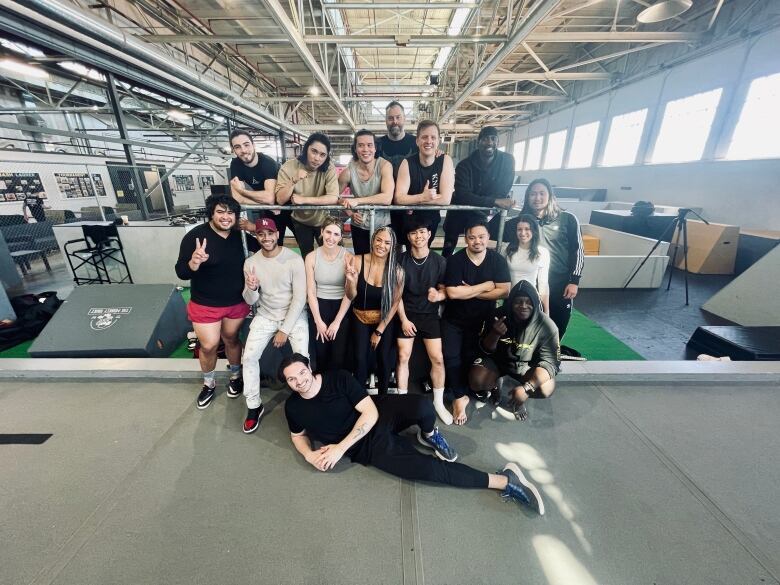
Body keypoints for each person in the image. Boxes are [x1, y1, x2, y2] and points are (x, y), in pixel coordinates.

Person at [280, 353, 544, 515]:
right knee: (430, 470)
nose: (299, 380)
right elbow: (297, 435)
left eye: (302, 372)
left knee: (422, 405)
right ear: (288, 384)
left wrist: (338, 448)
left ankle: (428, 434)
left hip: (376, 414)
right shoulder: (293, 406)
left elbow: (369, 413)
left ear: (310, 368)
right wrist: (308, 454)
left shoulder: (337, 379)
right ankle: (505, 481)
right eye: (292, 379)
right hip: (368, 448)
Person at [175, 194, 255, 410]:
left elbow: (265, 244)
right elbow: (181, 272)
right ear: (211, 213)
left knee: (231, 339)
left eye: (230, 212)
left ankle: (235, 376)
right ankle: (209, 383)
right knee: (209, 345)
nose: (226, 217)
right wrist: (194, 261)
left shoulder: (240, 236)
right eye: (220, 212)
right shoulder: (196, 237)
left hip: (236, 302)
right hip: (205, 304)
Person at [241, 217, 309, 434]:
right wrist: (251, 288)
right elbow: (249, 300)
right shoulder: (251, 263)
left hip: (294, 315)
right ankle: (254, 406)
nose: (266, 238)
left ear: (277, 234)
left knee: (302, 356)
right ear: (257, 236)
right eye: (261, 234)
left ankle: (307, 401)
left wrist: (284, 330)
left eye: (270, 233)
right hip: (266, 315)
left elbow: (299, 299)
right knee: (249, 357)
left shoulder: (294, 259)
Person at [442, 220, 511, 425]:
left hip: (483, 321)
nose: (477, 241)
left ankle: (475, 389)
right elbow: (453, 293)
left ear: (488, 237)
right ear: (466, 239)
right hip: (453, 319)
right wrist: (486, 286)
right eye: (472, 237)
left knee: (471, 356)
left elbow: (505, 291)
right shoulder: (455, 261)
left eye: (481, 237)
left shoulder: (497, 260)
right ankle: (458, 397)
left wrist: (470, 291)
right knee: (451, 356)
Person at [470, 280, 560, 422]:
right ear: (510, 303)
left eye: (528, 302)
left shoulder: (547, 326)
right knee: (476, 380)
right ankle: (495, 385)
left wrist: (527, 388)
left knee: (547, 387)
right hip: (498, 362)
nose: (523, 306)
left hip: (526, 367)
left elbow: (551, 363)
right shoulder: (497, 316)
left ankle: (519, 399)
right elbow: (483, 351)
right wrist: (494, 334)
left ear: (535, 304)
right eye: (518, 302)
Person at [395, 216, 451, 425]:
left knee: (437, 358)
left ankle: (438, 402)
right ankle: (400, 403)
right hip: (407, 315)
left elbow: (446, 290)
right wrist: (403, 320)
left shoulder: (440, 262)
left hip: (429, 316)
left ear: (429, 234)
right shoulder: (400, 260)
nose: (418, 236)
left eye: (421, 232)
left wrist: (439, 296)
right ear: (408, 237)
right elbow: (396, 295)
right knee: (403, 356)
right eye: (413, 233)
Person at [511, 179, 583, 340]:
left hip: (560, 283)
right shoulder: (521, 222)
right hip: (532, 283)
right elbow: (491, 230)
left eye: (542, 193)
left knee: (557, 325)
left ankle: (551, 355)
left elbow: (578, 251)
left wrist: (574, 281)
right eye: (533, 194)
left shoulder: (568, 219)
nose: (537, 198)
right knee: (526, 326)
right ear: (528, 197)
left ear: (550, 196)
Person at [345, 226, 403, 395]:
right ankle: (359, 398)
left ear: (392, 246)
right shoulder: (356, 261)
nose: (382, 245)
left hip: (383, 319)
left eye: (387, 242)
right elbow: (350, 296)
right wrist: (351, 281)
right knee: (360, 359)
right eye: (378, 240)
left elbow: (395, 303)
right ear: (372, 241)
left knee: (384, 359)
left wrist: (379, 331)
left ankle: (383, 399)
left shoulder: (397, 271)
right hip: (359, 316)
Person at [443, 126, 515, 257]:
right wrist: (494, 201)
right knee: (449, 239)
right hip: (462, 209)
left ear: (497, 142)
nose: (489, 142)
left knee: (489, 239)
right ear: (478, 142)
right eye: (485, 139)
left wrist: (486, 200)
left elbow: (502, 190)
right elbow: (462, 195)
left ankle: (491, 264)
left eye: (493, 139)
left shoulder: (507, 161)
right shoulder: (464, 165)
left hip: (488, 211)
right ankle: (445, 264)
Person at [275, 132, 339, 257]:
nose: (317, 158)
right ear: (306, 149)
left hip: (323, 220)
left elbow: (333, 197)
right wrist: (293, 180)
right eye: (314, 151)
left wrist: (304, 200)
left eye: (322, 155)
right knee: (307, 255)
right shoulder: (289, 167)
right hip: (300, 221)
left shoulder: (329, 168)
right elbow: (280, 200)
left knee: (331, 255)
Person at [394, 120, 455, 248]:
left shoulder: (445, 160)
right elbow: (399, 198)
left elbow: (445, 199)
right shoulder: (407, 163)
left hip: (431, 220)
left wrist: (412, 200)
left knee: (424, 254)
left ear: (438, 141)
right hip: (409, 221)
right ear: (417, 141)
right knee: (408, 255)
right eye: (424, 137)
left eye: (433, 137)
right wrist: (423, 197)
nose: (429, 141)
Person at [304, 216, 353, 373]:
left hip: (341, 308)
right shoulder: (311, 257)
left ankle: (338, 390)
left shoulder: (348, 258)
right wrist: (318, 320)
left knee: (339, 356)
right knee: (321, 353)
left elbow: (349, 293)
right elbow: (310, 291)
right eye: (328, 232)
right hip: (319, 306)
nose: (331, 238)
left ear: (340, 238)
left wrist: (337, 322)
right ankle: (322, 390)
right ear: (321, 232)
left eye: (336, 234)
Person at [228, 128, 290, 243]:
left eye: (246, 145)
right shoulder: (236, 164)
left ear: (253, 145)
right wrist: (267, 204)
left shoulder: (267, 162)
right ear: (233, 150)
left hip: (290, 206)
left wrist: (243, 192)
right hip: (270, 209)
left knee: (304, 245)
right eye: (237, 147)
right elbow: (237, 199)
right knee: (273, 244)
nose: (243, 150)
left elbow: (269, 197)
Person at [338, 129, 394, 255]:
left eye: (369, 145)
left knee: (383, 263)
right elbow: (334, 195)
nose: (365, 149)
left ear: (375, 148)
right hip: (359, 225)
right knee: (361, 263)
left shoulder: (385, 166)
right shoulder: (348, 172)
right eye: (361, 145)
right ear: (355, 149)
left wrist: (357, 201)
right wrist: (350, 212)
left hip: (383, 225)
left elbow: (387, 198)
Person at [503, 214, 550, 314]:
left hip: (531, 300)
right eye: (519, 229)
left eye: (527, 229)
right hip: (510, 299)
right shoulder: (506, 249)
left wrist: (546, 311)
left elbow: (543, 284)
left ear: (534, 230)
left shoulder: (542, 252)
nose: (523, 233)